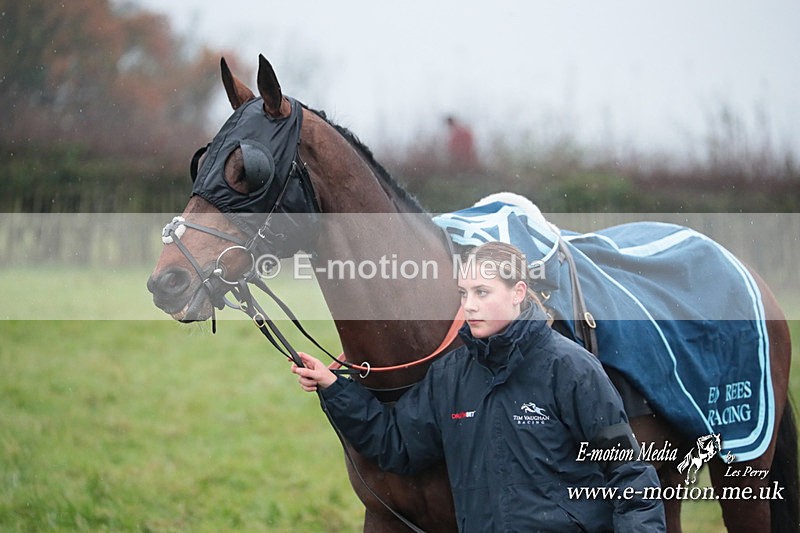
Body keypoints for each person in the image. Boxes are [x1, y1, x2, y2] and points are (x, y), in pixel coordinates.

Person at [292, 242, 666, 532]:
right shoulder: (449, 376)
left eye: (482, 292)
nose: (469, 306)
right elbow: (396, 444)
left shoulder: (571, 369)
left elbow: (630, 475)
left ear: (518, 292)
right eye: (464, 293)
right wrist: (333, 387)